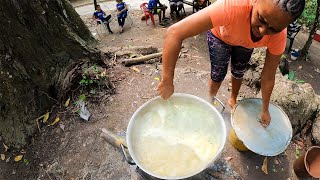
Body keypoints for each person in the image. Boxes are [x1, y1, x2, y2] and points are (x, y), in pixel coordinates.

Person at [157, 0, 305, 127]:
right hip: (220, 36)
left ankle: (233, 99)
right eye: (261, 19)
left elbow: (268, 76)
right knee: (218, 73)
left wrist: (265, 109)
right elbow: (174, 33)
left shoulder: (279, 36)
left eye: (273, 29)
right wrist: (167, 81)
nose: (262, 30)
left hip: (245, 44)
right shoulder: (232, 6)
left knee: (239, 71)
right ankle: (209, 101)